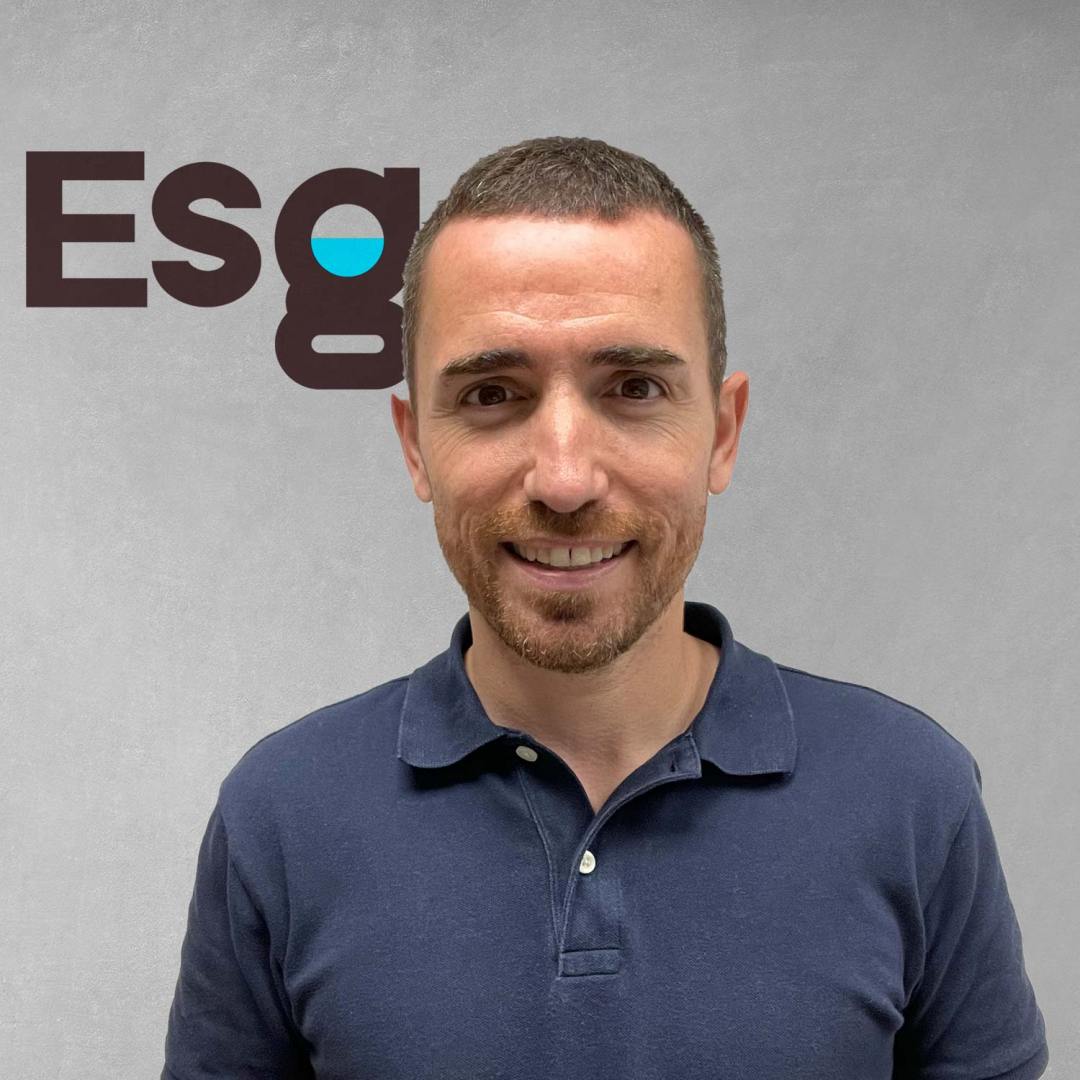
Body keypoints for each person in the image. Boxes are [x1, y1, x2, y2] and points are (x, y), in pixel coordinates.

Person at [161, 136, 1049, 1079]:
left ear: (723, 431)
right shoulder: (282, 815)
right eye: (492, 394)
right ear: (416, 445)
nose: (565, 478)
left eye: (633, 388)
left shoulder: (911, 794)